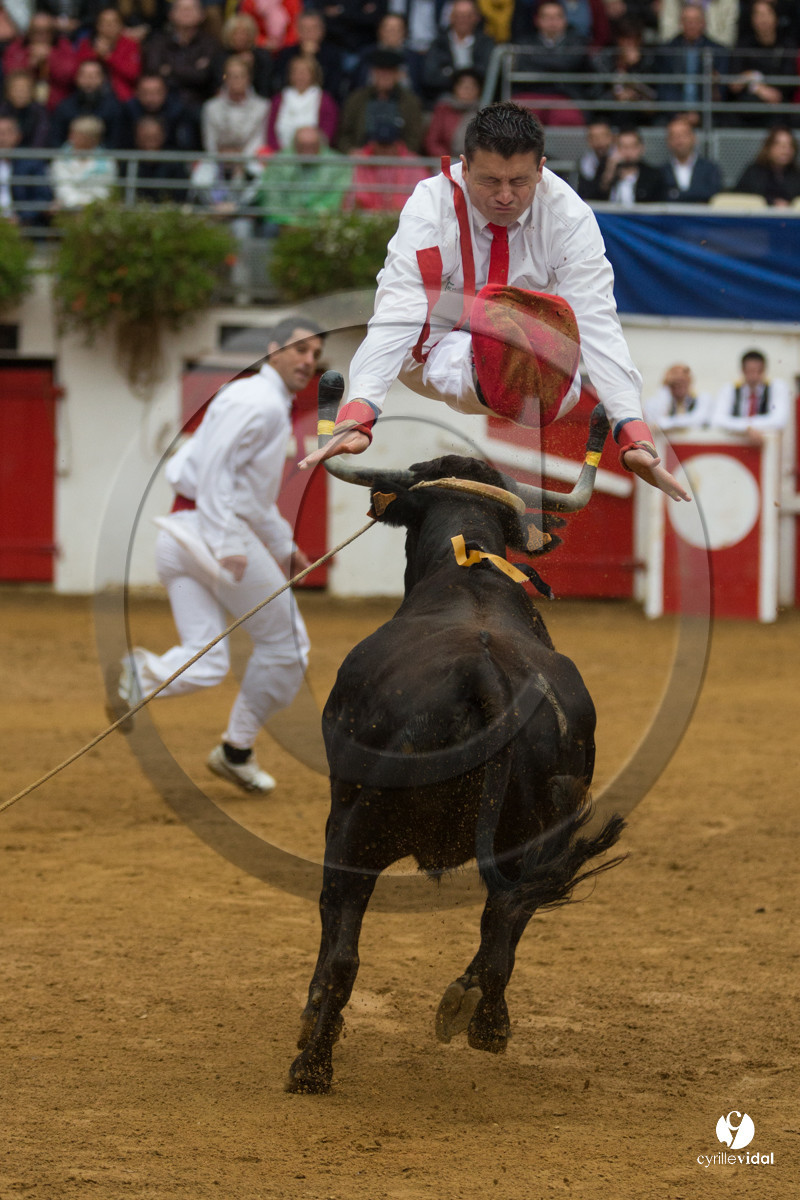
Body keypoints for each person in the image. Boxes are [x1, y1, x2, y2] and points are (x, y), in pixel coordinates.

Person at [300, 101, 690, 503]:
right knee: (437, 321)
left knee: (556, 334)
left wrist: (632, 431)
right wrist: (361, 409)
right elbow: (399, 309)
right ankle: (491, 355)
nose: (505, 196)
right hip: (434, 354)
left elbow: (597, 324)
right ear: (464, 169)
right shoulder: (429, 207)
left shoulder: (570, 218)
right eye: (489, 181)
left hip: (533, 372)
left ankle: (511, 354)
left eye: (519, 181)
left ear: (541, 169)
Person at [107, 318, 323, 795]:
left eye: (315, 354)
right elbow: (216, 474)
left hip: (179, 535)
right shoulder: (259, 400)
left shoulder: (258, 399)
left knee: (205, 662)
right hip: (210, 536)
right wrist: (227, 543)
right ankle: (235, 750)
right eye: (299, 349)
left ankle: (140, 674)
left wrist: (284, 546)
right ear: (272, 350)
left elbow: (247, 496)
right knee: (287, 648)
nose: (308, 361)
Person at [258, 124, 352, 227]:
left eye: (312, 145)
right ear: (295, 145)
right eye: (303, 146)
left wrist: (309, 223)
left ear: (320, 145)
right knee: (269, 226)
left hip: (321, 222)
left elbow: (334, 201)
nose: (308, 151)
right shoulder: (279, 163)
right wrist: (291, 222)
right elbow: (273, 201)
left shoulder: (337, 165)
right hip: (284, 223)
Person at [336, 47, 423, 155]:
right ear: (373, 73)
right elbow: (344, 134)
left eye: (389, 72)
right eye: (380, 72)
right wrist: (351, 151)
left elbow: (415, 138)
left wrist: (400, 152)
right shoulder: (356, 99)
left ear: (397, 75)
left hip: (399, 162)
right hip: (361, 159)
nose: (384, 76)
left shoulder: (410, 102)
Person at [728, 0, 797, 126]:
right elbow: (734, 84)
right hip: (748, 106)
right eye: (758, 14)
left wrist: (750, 78)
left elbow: (788, 83)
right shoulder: (743, 45)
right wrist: (759, 88)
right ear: (752, 19)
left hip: (778, 107)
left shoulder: (787, 46)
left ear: (776, 17)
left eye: (767, 14)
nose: (763, 19)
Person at [422, 0, 494, 103]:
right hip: (446, 99)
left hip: (480, 100)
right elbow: (430, 77)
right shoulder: (438, 43)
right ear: (451, 17)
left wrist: (450, 72)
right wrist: (459, 81)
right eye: (458, 16)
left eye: (467, 16)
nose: (463, 20)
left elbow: (489, 74)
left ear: (476, 18)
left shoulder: (486, 43)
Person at [265, 52, 338, 151]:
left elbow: (327, 132)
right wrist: (280, 153)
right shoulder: (278, 100)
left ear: (313, 74)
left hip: (314, 154)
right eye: (296, 72)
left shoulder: (325, 100)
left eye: (304, 72)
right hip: (281, 155)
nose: (300, 76)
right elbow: (270, 132)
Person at [201, 55, 268, 159]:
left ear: (249, 78)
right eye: (232, 76)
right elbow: (210, 142)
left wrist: (240, 157)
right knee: (201, 175)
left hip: (250, 160)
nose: (236, 80)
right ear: (225, 78)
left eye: (241, 76)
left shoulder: (263, 107)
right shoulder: (211, 107)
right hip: (218, 160)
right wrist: (224, 157)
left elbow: (259, 140)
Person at [50, 57, 125, 149]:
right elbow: (56, 140)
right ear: (77, 78)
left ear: (102, 79)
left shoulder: (113, 108)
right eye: (84, 76)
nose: (88, 81)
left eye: (93, 76)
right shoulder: (65, 107)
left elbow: (116, 142)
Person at [713, 349, 791, 437]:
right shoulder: (729, 389)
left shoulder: (776, 387)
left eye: (759, 371)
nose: (754, 376)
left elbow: (780, 419)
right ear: (742, 370)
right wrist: (747, 428)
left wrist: (745, 426)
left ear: (765, 370)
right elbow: (717, 419)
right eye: (750, 371)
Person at [50, 113, 116, 209]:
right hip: (67, 208)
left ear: (94, 139)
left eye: (82, 136)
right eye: (74, 134)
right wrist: (75, 204)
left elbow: (105, 190)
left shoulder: (107, 162)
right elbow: (61, 186)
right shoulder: (61, 159)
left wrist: (88, 206)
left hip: (96, 209)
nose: (73, 138)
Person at [75, 8, 142, 102]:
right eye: (105, 23)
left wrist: (108, 56)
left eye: (113, 23)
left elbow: (133, 74)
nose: (109, 26)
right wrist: (96, 53)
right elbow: (77, 69)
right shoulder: (86, 43)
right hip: (90, 94)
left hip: (122, 97)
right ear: (98, 26)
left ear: (121, 26)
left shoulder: (130, 44)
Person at [586, 126, 666, 203]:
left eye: (632, 146)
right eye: (623, 146)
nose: (628, 151)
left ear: (641, 148)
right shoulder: (604, 170)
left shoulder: (652, 175)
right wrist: (610, 171)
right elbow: (594, 200)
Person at [0, 113, 51, 225]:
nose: (1, 138)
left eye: (6, 133)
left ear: (18, 136)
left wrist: (21, 218)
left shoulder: (32, 163)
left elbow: (43, 198)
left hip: (22, 226)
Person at [660, 115, 721, 203]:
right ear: (668, 141)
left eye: (684, 135)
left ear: (694, 138)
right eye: (674, 136)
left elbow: (713, 196)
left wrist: (676, 195)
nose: (679, 140)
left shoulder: (711, 169)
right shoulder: (660, 172)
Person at [424, 67, 482, 159]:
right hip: (445, 161)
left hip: (474, 162)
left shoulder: (484, 112)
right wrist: (448, 159)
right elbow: (432, 141)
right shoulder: (443, 109)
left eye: (472, 86)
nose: (467, 90)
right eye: (463, 85)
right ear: (455, 88)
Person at [735, 127, 800, 206]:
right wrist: (771, 202)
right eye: (779, 144)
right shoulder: (753, 173)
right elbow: (740, 199)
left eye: (790, 145)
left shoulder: (797, 173)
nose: (785, 150)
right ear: (769, 148)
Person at [644, 363, 713, 430]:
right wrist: (665, 391)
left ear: (689, 382)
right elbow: (653, 419)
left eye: (683, 382)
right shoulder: (663, 400)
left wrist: (665, 423)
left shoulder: (702, 398)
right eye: (674, 384)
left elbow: (698, 419)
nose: (679, 386)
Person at [0, 68, 51, 148]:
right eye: (17, 89)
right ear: (8, 91)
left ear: (32, 92)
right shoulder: (2, 110)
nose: (21, 93)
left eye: (24, 89)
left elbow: (40, 140)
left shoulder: (39, 112)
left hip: (30, 156)